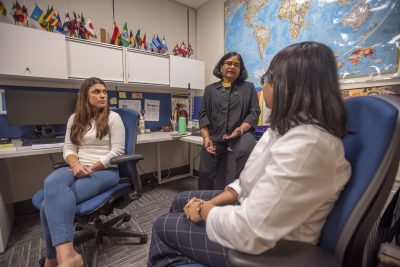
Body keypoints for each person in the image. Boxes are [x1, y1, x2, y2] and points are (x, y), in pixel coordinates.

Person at [147, 42, 351, 267]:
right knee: (179, 200)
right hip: (250, 210)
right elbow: (245, 183)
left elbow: (250, 230)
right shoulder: (282, 129)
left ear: (287, 85)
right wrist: (210, 202)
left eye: (268, 77)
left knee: (162, 225)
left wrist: (204, 209)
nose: (265, 84)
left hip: (267, 248)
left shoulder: (307, 144)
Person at [39, 77, 125, 267]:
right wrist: (76, 165)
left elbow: (118, 151)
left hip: (104, 171)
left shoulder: (113, 118)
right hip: (76, 167)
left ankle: (53, 258)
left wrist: (92, 168)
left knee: (48, 205)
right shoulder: (75, 118)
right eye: (96, 91)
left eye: (104, 91)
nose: (102, 95)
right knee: (51, 182)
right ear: (84, 96)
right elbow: (68, 149)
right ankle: (67, 256)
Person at [198, 52, 261, 190]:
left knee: (245, 150)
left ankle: (237, 192)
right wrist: (206, 138)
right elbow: (203, 115)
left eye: (236, 64)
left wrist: (239, 130)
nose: (232, 66)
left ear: (240, 69)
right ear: (221, 67)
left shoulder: (248, 88)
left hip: (241, 133)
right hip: (215, 135)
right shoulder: (210, 90)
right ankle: (203, 200)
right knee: (205, 171)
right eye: (228, 63)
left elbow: (254, 112)